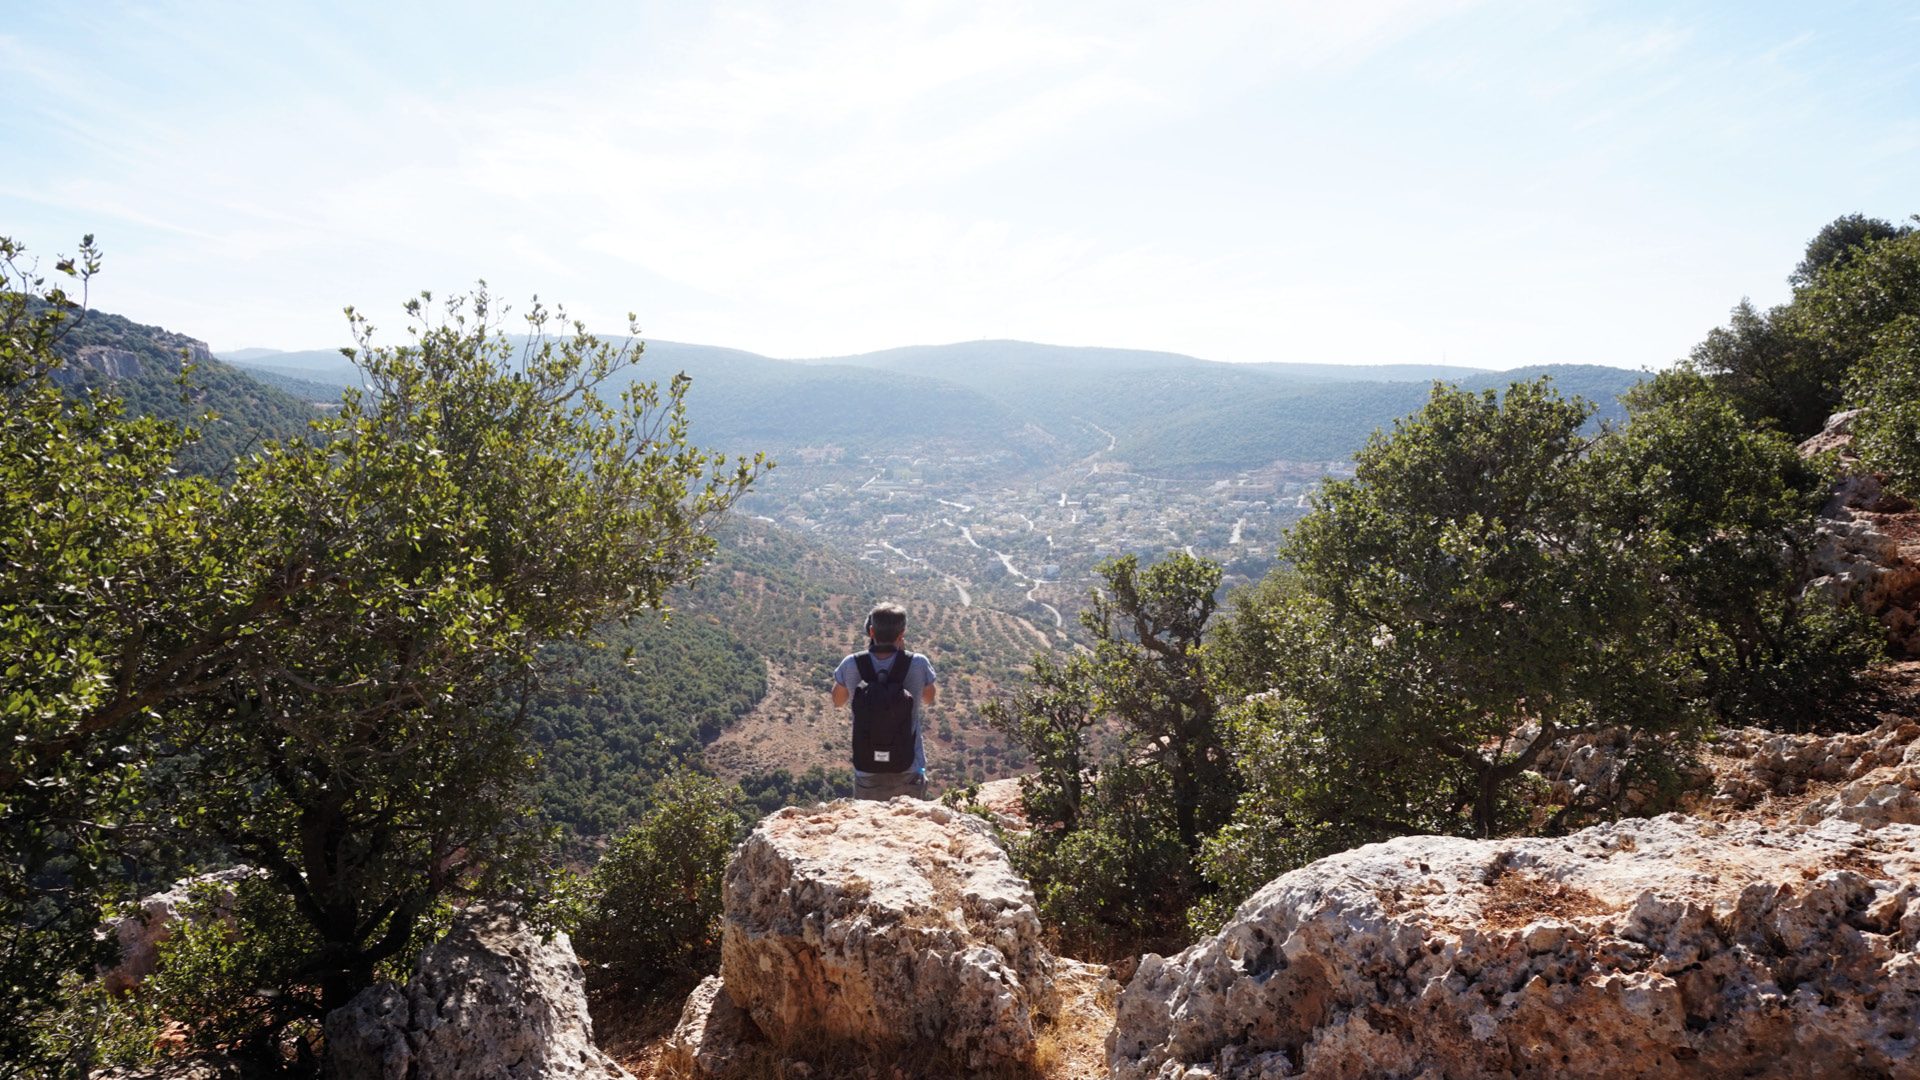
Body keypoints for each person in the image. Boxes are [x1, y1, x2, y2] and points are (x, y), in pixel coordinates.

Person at [832, 601, 937, 800]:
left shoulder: (851, 663)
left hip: (867, 768)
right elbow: (929, 698)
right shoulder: (918, 663)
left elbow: (837, 701)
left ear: (871, 631)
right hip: (908, 766)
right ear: (902, 633)